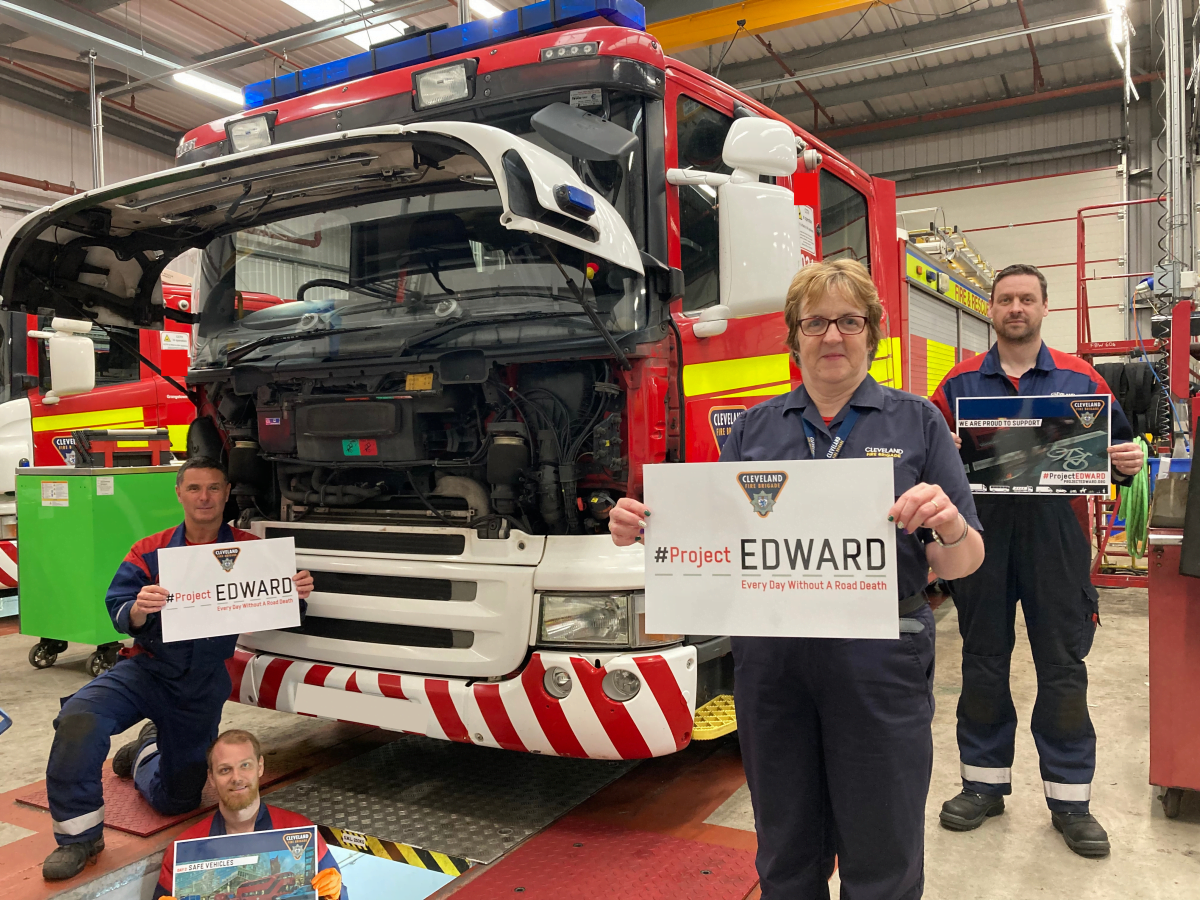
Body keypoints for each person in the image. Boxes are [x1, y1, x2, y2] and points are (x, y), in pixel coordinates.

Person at [611, 258, 985, 900]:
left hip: (880, 658)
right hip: (773, 664)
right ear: (793, 337)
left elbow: (964, 560)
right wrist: (648, 527)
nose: (832, 336)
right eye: (815, 322)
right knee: (785, 848)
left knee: (883, 847)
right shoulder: (754, 429)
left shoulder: (916, 422)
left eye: (848, 321)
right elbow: (717, 539)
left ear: (872, 332)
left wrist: (948, 527)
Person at [930, 263, 1144, 858]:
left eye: (1026, 299)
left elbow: (1118, 449)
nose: (1015, 308)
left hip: (1058, 538)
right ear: (991, 311)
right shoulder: (957, 384)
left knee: (1062, 666)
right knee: (983, 660)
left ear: (1044, 307)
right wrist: (939, 449)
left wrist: (1127, 460)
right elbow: (920, 454)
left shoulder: (1080, 376)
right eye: (1005, 300)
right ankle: (983, 786)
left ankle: (1071, 800)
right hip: (981, 537)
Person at [42, 457, 315, 880]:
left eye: (213, 488)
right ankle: (79, 837)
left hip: (202, 682)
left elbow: (277, 608)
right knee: (79, 718)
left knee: (180, 799)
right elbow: (118, 605)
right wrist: (136, 609)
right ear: (179, 494)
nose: (204, 497)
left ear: (227, 493)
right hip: (146, 670)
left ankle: (145, 751)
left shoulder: (250, 552)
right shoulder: (150, 551)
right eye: (194, 488)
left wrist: (296, 593)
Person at [153, 730, 346, 900]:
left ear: (260, 766)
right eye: (225, 770)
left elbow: (340, 893)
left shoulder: (299, 830)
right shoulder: (185, 849)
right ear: (211, 777)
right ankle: (146, 750)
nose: (236, 778)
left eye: (245, 765)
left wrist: (335, 896)